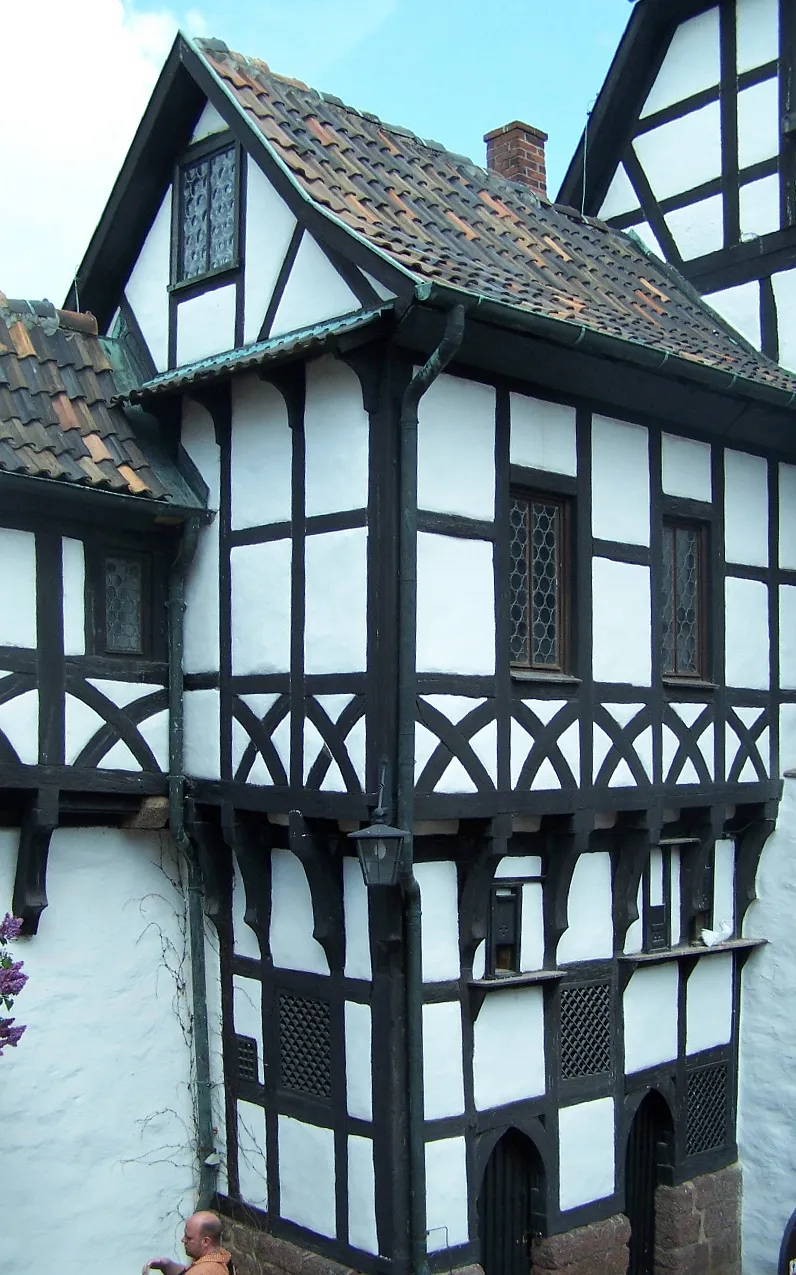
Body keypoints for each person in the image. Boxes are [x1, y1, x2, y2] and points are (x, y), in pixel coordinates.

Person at [143, 1211, 235, 1275]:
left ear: (206, 1241)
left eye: (189, 1238)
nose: (183, 1240)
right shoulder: (223, 1257)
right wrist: (166, 1265)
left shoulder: (202, 1271)